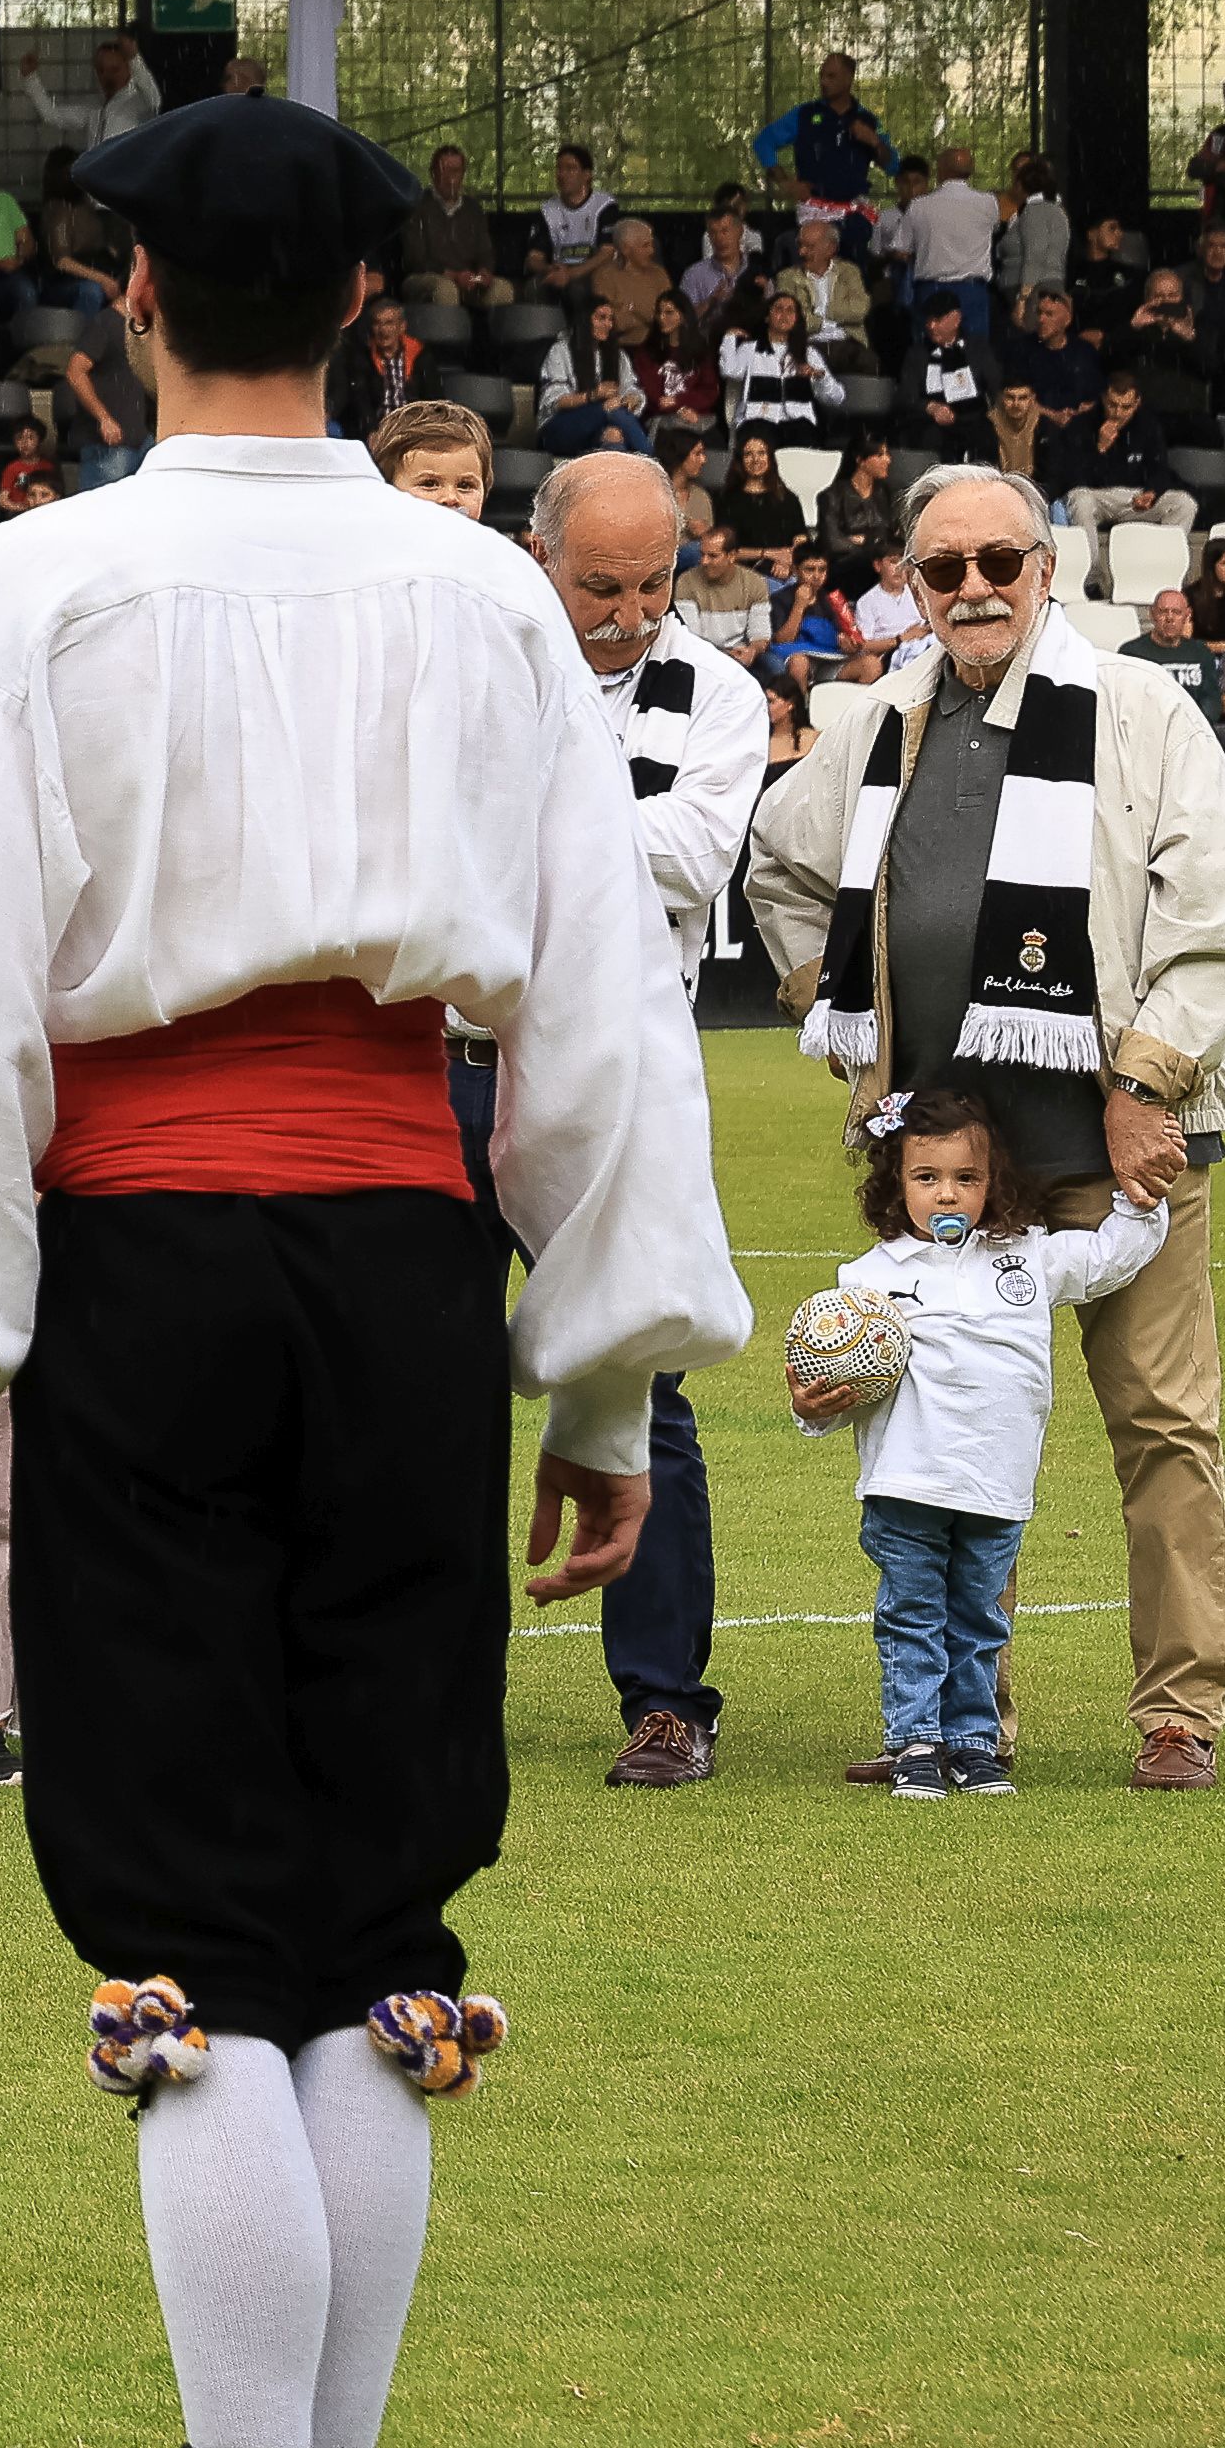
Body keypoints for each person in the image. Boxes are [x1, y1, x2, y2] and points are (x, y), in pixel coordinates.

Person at [0, 88, 740, 2448]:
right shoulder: (481, 599)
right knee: (367, 1931)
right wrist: (612, 1387)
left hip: (156, 1263)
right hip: (405, 1258)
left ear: (127, 310)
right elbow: (595, 1013)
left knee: (193, 1924)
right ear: (375, 325)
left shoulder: (33, 584)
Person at [743, 466, 1225, 1792]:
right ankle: (970, 1728)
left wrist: (1146, 1087)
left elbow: (1209, 930)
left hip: (1122, 1153)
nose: (973, 587)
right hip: (959, 1169)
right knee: (954, 1443)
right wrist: (838, 1004)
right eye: (943, 569)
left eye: (998, 562)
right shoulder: (880, 722)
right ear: (912, 588)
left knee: (1160, 1433)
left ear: (1051, 568)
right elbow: (779, 864)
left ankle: (1178, 1717)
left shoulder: (1144, 711)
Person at [489, 453, 769, 1786]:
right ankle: (417, 1684)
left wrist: (525, 829)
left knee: (642, 1365)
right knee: (422, 1381)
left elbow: (692, 862)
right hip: (449, 1055)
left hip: (618, 1064)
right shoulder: (477, 656)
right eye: (601, 583)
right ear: (541, 555)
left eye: (653, 581)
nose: (630, 609)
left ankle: (667, 1700)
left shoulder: (719, 692)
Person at [793, 1089, 1172, 1798]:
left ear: (993, 1181)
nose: (947, 1194)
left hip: (997, 1487)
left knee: (978, 1619)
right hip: (906, 1485)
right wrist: (812, 1408)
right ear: (894, 1182)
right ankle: (913, 1743)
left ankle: (973, 1744)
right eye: (926, 1178)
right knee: (911, 1616)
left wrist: (1141, 1197)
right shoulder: (866, 1282)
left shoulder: (1028, 1259)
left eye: (966, 1179)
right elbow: (839, 1382)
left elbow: (1110, 1257)